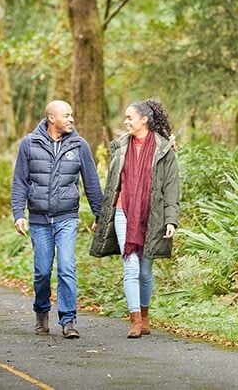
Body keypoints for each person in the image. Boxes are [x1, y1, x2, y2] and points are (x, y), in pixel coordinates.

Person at [11, 100, 103, 339]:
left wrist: (100, 214)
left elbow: (91, 182)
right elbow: (20, 181)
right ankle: (41, 311)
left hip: (67, 218)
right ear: (51, 118)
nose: (72, 119)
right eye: (67, 115)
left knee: (66, 267)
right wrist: (19, 214)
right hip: (40, 220)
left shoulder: (80, 145)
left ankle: (68, 320)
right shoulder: (29, 144)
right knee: (42, 272)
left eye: (72, 115)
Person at [90, 98, 180, 338]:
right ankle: (134, 321)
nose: (126, 121)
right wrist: (101, 215)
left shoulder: (164, 150)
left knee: (145, 272)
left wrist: (171, 219)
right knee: (130, 267)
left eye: (130, 117)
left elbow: (171, 188)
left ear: (144, 119)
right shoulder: (120, 147)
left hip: (152, 216)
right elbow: (112, 186)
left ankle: (145, 315)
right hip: (122, 211)